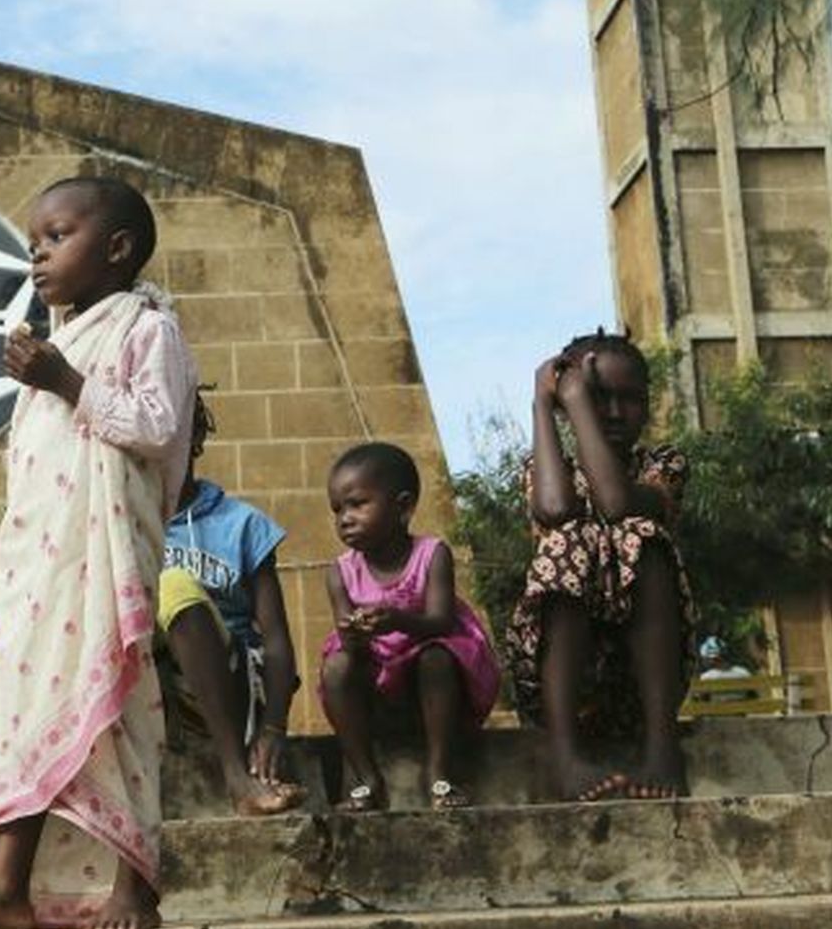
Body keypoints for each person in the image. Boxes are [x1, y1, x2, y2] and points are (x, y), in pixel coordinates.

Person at [0, 176, 198, 929]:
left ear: (116, 248)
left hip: (106, 561)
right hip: (41, 565)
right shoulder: (59, 336)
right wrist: (13, 527)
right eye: (33, 243)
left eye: (56, 236)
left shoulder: (148, 328)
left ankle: (134, 886)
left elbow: (154, 423)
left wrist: (64, 380)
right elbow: (40, 457)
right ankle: (6, 887)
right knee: (22, 712)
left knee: (118, 705)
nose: (37, 254)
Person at [506, 330, 696, 801]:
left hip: (641, 689)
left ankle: (661, 748)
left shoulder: (663, 466)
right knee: (567, 538)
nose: (611, 412)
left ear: (648, 406)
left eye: (627, 399)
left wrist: (575, 396)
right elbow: (552, 510)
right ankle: (564, 755)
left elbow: (614, 503)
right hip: (564, 689)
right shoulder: (548, 468)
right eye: (597, 399)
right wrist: (543, 405)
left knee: (641, 536)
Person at [319, 443, 500, 811]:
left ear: (402, 508)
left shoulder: (432, 554)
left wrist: (396, 618)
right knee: (335, 666)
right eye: (337, 509)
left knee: (437, 657)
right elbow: (349, 645)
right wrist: (354, 635)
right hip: (377, 680)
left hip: (433, 678)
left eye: (357, 504)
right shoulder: (340, 571)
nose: (345, 518)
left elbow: (441, 621)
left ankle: (439, 775)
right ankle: (367, 779)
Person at [157, 392, 304, 816]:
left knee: (174, 585)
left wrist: (275, 725)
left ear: (196, 436)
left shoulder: (241, 524)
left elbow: (276, 639)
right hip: (156, 690)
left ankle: (237, 776)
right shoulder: (120, 522)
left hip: (233, 683)